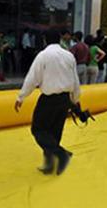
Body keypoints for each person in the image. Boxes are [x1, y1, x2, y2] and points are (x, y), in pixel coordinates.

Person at [15, 30, 80, 175]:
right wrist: (75, 100)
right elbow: (75, 80)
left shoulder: (43, 56)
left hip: (49, 99)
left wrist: (21, 97)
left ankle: (61, 154)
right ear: (60, 39)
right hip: (64, 99)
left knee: (38, 130)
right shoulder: (69, 56)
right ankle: (50, 164)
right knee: (55, 131)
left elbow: (33, 78)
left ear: (45, 40)